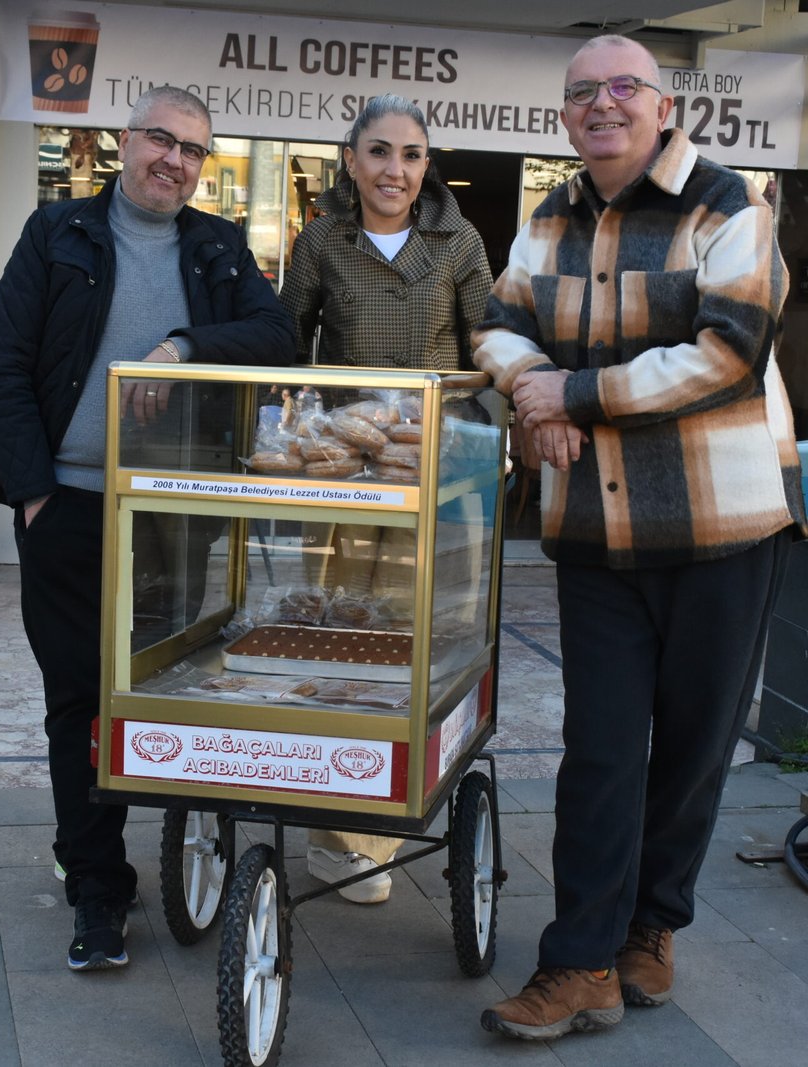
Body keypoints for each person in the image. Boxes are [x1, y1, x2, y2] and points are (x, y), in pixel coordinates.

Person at [471, 35, 806, 1042]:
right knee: (602, 750)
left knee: (695, 746)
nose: (602, 104)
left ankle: (650, 927)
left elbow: (727, 352)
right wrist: (528, 385)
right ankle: (578, 962)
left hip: (724, 523)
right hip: (599, 529)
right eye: (582, 93)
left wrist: (572, 393)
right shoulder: (547, 216)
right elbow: (494, 322)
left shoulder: (729, 205)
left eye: (624, 87)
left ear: (664, 108)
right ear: (566, 118)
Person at [0, 86, 293, 972]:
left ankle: (185, 854)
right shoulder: (58, 234)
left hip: (176, 511)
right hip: (67, 511)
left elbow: (278, 334)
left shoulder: (219, 246)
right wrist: (35, 496)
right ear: (125, 141)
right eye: (161, 139)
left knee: (163, 687)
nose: (175, 161)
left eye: (193, 150)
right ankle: (98, 888)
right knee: (79, 700)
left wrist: (184, 348)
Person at [279, 92, 493, 904]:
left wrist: (473, 430)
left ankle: (389, 809)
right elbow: (285, 345)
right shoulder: (321, 238)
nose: (393, 170)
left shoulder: (458, 241)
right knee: (335, 625)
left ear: (426, 166)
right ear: (350, 160)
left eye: (409, 154)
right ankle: (339, 835)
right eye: (378, 152)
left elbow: (490, 344)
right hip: (340, 466)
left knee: (412, 630)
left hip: (428, 470)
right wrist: (293, 438)